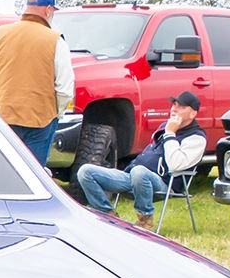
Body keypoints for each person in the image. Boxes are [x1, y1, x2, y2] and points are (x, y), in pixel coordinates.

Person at [77, 91, 207, 230]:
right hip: (132, 177)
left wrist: (170, 133)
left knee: (139, 172)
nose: (174, 109)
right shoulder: (164, 126)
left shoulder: (196, 138)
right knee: (85, 172)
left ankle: (145, 219)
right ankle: (109, 217)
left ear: (193, 114)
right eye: (174, 105)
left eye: (181, 107)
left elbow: (176, 165)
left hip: (163, 183)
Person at [0, 0, 74, 165]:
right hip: (40, 120)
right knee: (34, 176)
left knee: (3, 169)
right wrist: (56, 113)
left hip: (3, 115)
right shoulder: (56, 40)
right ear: (49, 10)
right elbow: (65, 88)